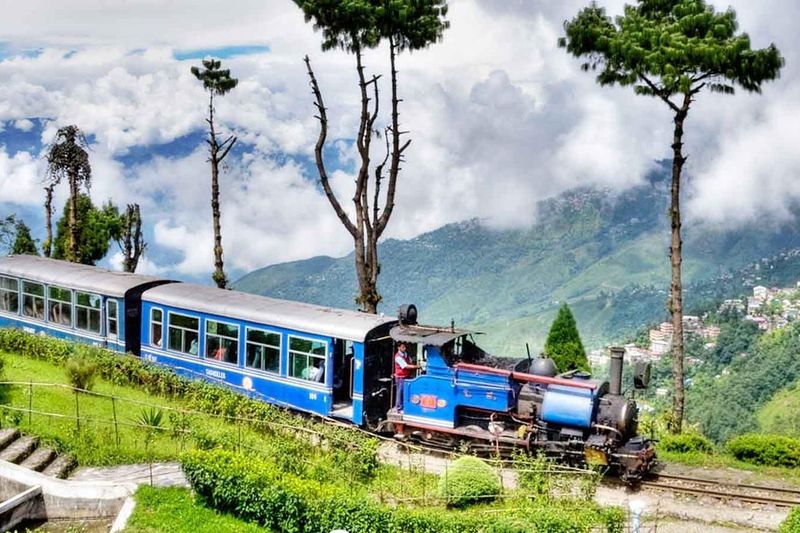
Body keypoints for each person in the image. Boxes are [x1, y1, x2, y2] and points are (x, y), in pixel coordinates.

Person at [393, 342, 418, 412]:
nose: (405, 348)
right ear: (399, 348)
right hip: (400, 377)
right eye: (403, 347)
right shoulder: (398, 357)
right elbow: (405, 366)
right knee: (400, 392)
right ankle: (399, 407)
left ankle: (404, 406)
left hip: (406, 376)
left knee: (405, 391)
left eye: (405, 347)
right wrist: (415, 367)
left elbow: (409, 361)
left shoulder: (405, 354)